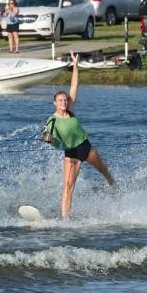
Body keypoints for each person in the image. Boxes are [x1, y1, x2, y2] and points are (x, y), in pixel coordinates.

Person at [43, 50, 115, 220]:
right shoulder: (51, 121)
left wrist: (75, 66)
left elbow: (74, 86)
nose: (63, 102)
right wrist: (49, 139)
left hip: (86, 147)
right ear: (54, 103)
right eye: (60, 101)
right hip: (72, 154)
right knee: (68, 187)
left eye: (65, 100)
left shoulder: (70, 109)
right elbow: (55, 144)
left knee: (104, 170)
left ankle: (116, 188)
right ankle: (64, 218)